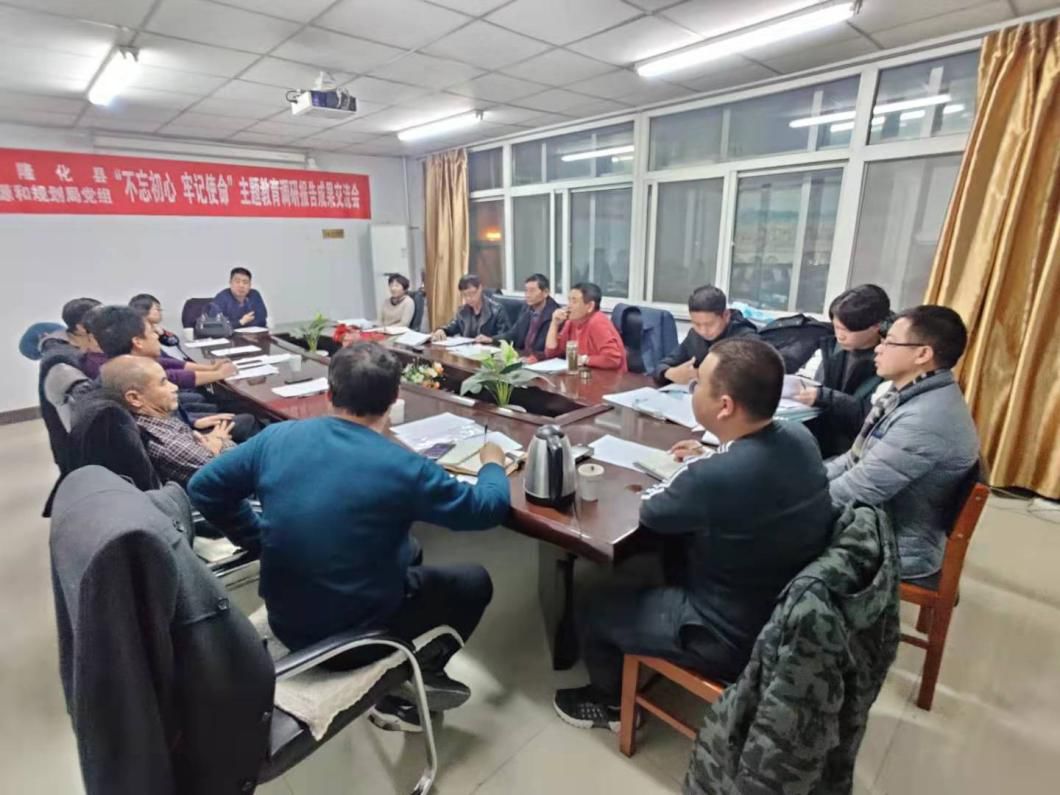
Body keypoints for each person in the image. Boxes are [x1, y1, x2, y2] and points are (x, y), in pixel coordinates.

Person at [188, 342, 511, 732]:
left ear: (329, 393)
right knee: (475, 581)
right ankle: (416, 678)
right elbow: (485, 509)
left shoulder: (278, 437)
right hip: (350, 641)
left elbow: (204, 487)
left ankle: (407, 652)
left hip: (285, 617)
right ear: (393, 399)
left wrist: (257, 538)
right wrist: (493, 464)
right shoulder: (403, 467)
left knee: (411, 549)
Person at [553, 337, 834, 729]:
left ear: (725, 406)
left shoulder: (716, 476)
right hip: (779, 605)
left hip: (727, 634)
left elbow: (652, 511)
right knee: (665, 554)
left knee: (594, 602)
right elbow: (745, 475)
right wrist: (711, 456)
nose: (692, 389)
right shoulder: (799, 438)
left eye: (698, 384)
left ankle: (609, 704)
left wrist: (698, 467)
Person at [826, 305, 980, 579]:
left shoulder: (927, 419)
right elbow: (853, 459)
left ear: (923, 354)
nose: (878, 348)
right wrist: (807, 481)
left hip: (895, 547)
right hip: (877, 521)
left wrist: (792, 503)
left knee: (765, 534)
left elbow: (860, 489)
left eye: (890, 342)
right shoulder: (911, 393)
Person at [100, 356, 235, 487]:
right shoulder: (166, 444)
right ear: (135, 398)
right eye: (163, 382)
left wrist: (207, 442)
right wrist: (221, 443)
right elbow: (235, 473)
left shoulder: (150, 419)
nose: (174, 387)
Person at [794, 285, 892, 457]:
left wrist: (825, 397)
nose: (840, 335)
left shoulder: (890, 360)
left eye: (847, 330)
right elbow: (808, 378)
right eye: (836, 327)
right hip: (817, 438)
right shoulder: (830, 347)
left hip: (853, 450)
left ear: (876, 326)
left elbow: (875, 417)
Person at [83, 305, 237, 387]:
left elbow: (167, 363)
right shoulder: (131, 374)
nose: (157, 335)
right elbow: (173, 376)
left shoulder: (124, 362)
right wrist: (218, 374)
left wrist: (211, 369)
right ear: (137, 342)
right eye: (151, 332)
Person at [652, 285, 757, 386]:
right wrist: (671, 373)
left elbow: (754, 380)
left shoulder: (747, 340)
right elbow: (662, 365)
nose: (703, 331)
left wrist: (703, 375)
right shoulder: (694, 335)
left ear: (726, 316)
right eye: (697, 324)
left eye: (710, 324)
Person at [543, 282, 627, 372]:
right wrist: (554, 323)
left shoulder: (597, 322)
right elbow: (551, 353)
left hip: (609, 377)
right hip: (585, 374)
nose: (569, 306)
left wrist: (583, 359)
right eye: (569, 301)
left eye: (574, 301)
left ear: (590, 306)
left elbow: (613, 359)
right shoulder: (571, 322)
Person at [476, 273, 559, 357]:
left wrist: (535, 358)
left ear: (545, 292)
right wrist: (492, 339)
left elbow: (552, 350)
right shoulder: (527, 308)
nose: (527, 295)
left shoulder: (555, 314)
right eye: (526, 290)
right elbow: (514, 334)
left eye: (532, 291)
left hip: (540, 360)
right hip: (523, 356)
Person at [431, 274, 512, 341]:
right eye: (465, 295)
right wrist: (442, 330)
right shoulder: (462, 312)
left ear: (480, 288)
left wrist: (491, 339)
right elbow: (451, 327)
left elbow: (507, 337)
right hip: (468, 352)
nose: (468, 298)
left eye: (471, 293)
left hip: (489, 353)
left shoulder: (497, 310)